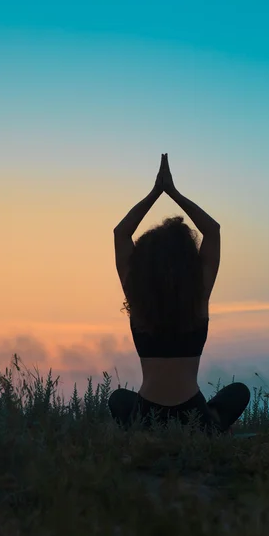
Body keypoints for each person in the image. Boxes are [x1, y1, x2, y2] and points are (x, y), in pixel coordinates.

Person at [110, 153, 250, 435]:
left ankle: (145, 433)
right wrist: (173, 192)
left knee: (118, 399)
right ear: (188, 261)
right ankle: (208, 424)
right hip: (193, 415)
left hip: (146, 416)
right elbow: (212, 230)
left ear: (143, 265)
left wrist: (155, 193)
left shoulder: (139, 301)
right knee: (239, 392)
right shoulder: (197, 299)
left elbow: (121, 233)